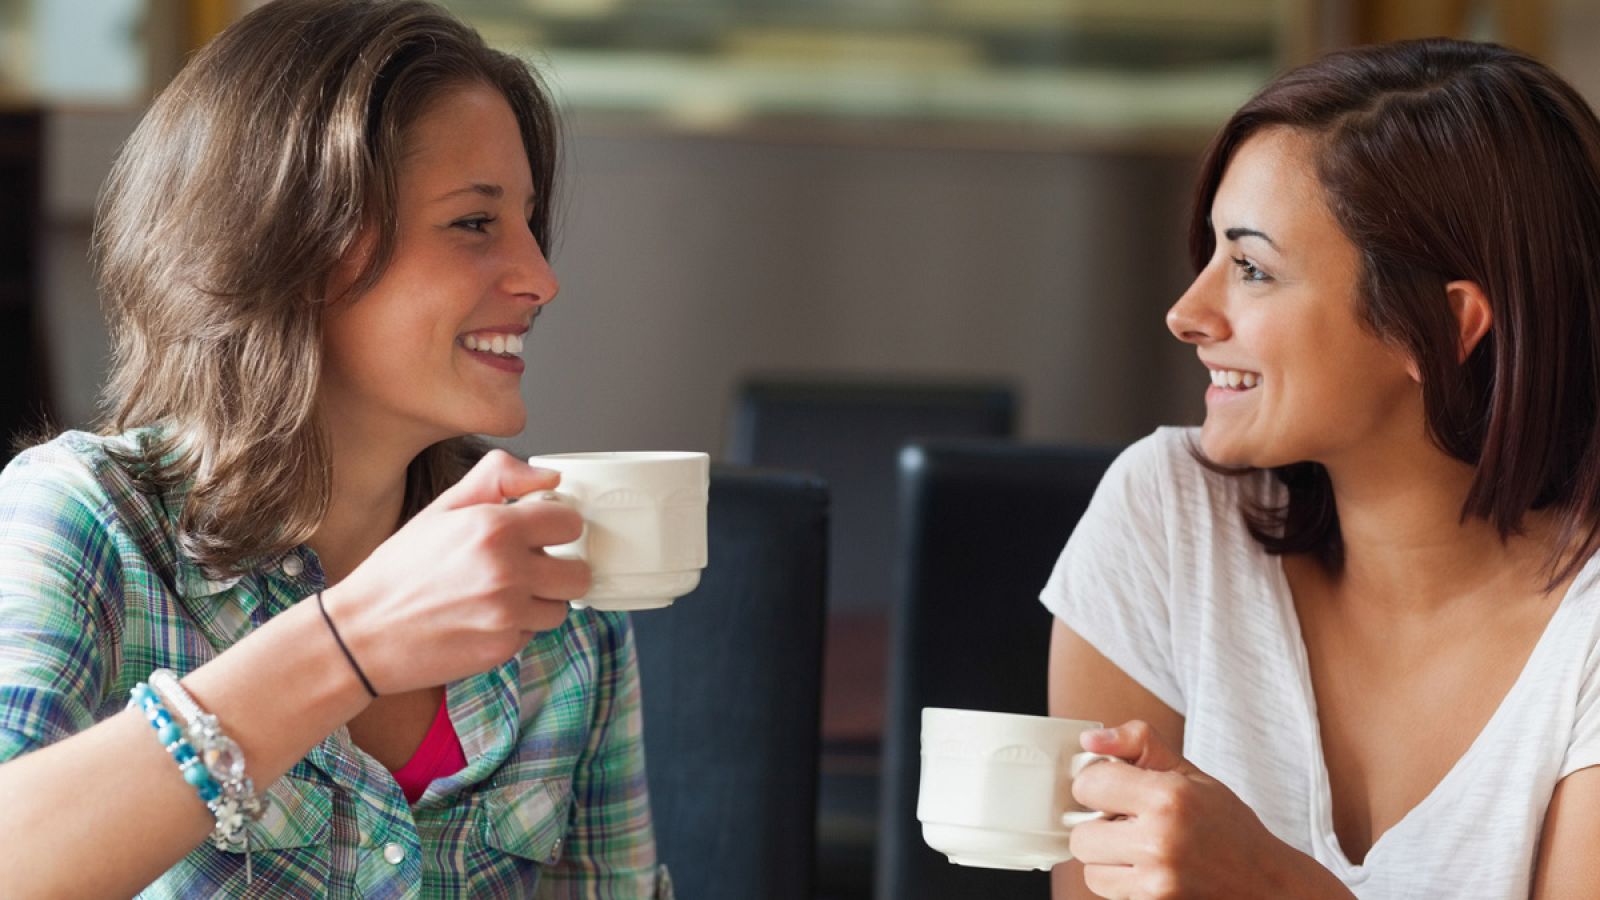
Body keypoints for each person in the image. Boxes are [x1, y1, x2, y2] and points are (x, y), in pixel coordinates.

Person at [0, 1, 672, 896]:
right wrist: (350, 642)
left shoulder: (558, 583)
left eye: (526, 221)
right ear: (293, 243)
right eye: (474, 223)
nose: (540, 278)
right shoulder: (94, 522)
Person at [1043, 38, 1600, 899]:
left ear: (1442, 328)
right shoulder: (1168, 516)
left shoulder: (1587, 636)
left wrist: (1268, 882)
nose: (1187, 313)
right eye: (1211, 256)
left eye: (1253, 269)